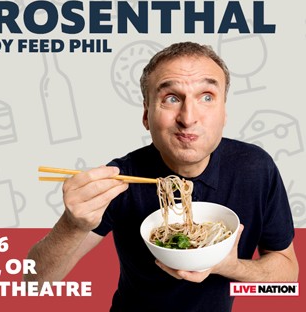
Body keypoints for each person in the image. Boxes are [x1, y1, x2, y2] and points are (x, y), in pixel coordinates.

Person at [25, 41, 299, 311]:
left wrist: (230, 267)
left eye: (206, 97)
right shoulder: (121, 179)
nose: (188, 117)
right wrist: (71, 225)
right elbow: (33, 285)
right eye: (171, 98)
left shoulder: (255, 169)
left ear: (224, 111)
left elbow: (288, 280)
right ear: (146, 114)